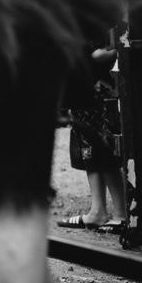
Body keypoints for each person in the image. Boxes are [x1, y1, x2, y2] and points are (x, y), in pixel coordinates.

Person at [57, 44, 128, 234]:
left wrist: (87, 58)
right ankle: (97, 211)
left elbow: (114, 46)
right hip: (81, 86)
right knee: (88, 149)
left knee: (104, 147)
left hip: (99, 86)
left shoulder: (98, 20)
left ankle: (121, 214)